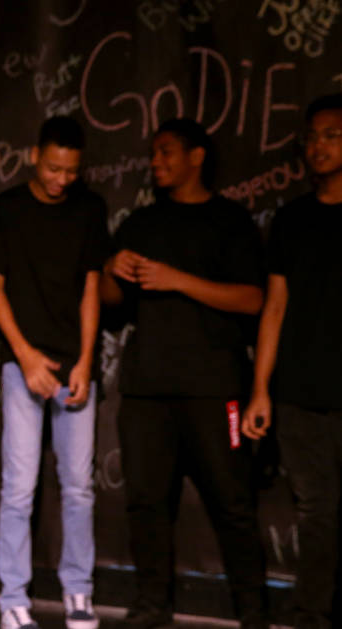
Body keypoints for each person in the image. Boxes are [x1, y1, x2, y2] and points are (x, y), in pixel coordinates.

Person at [101, 119, 268, 629]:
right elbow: (111, 305)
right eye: (153, 152)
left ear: (197, 157)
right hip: (148, 388)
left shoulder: (229, 220)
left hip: (215, 389)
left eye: (167, 151)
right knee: (147, 502)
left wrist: (177, 280)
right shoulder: (142, 224)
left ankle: (253, 610)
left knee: (232, 502)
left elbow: (253, 298)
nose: (156, 161)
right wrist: (113, 270)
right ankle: (152, 605)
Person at [0, 116, 108, 629]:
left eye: (71, 170)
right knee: (19, 486)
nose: (61, 179)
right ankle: (13, 598)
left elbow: (92, 287)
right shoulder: (8, 209)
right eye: (53, 167)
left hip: (75, 363)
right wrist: (24, 355)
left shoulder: (90, 208)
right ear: (35, 156)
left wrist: (88, 361)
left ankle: (79, 592)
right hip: (20, 362)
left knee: (78, 486)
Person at [242, 93, 342, 629]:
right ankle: (311, 613)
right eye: (312, 136)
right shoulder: (293, 220)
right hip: (301, 388)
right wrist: (261, 388)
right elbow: (274, 306)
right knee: (316, 508)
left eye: (331, 135)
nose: (318, 146)